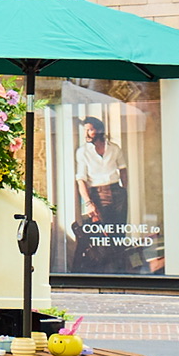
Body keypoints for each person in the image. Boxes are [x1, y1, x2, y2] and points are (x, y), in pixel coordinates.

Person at [73, 117, 127, 273]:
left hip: (117, 191)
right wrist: (89, 203)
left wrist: (124, 189)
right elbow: (81, 179)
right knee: (102, 232)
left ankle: (121, 270)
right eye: (85, 130)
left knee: (119, 231)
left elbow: (123, 168)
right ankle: (104, 271)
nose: (87, 133)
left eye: (90, 129)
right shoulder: (83, 152)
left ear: (99, 130)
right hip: (97, 193)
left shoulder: (114, 148)